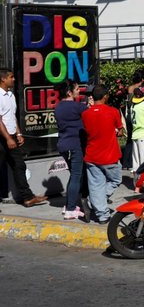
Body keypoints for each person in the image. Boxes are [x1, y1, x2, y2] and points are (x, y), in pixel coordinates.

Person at [0, 68, 47, 208]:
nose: (14, 79)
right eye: (11, 77)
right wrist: (8, 138)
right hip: (2, 138)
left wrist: (18, 133)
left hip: (12, 135)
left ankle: (28, 198)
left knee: (19, 165)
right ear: (3, 79)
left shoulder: (11, 95)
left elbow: (11, 116)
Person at [81, 85, 124, 224]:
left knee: (95, 185)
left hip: (92, 155)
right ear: (105, 96)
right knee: (115, 180)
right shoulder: (113, 111)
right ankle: (96, 200)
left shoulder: (85, 114)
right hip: (109, 155)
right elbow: (120, 130)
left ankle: (102, 214)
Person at [54, 80, 88, 220]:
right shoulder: (78, 107)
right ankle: (71, 209)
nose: (79, 91)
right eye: (76, 88)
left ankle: (69, 204)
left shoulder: (58, 107)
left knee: (74, 175)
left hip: (63, 145)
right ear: (69, 92)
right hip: (75, 145)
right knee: (76, 176)